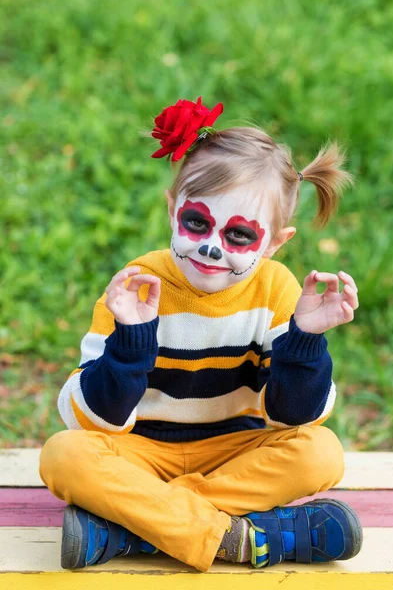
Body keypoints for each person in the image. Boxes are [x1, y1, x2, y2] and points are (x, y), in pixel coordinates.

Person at [39, 97, 362, 572]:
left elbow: (291, 416)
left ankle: (140, 528)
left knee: (320, 452)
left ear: (274, 243)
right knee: (63, 455)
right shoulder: (136, 285)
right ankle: (242, 538)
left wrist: (305, 339)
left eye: (238, 236)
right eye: (196, 222)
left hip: (235, 451)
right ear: (173, 210)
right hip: (143, 450)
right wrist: (129, 338)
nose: (211, 246)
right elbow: (91, 419)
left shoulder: (277, 290)